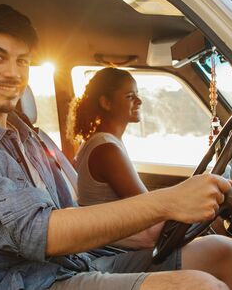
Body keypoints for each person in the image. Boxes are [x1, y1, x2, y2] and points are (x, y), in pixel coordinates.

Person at [0, 4, 232, 290]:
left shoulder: (24, 132)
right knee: (201, 286)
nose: (13, 73)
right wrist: (168, 201)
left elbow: (69, 213)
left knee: (223, 251)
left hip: (76, 262)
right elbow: (40, 232)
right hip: (33, 282)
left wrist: (144, 232)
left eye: (22, 61)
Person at [68, 68, 162, 249]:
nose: (139, 101)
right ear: (106, 102)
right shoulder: (106, 150)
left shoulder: (106, 142)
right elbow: (148, 208)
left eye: (137, 95)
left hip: (116, 241)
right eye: (129, 96)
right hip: (111, 249)